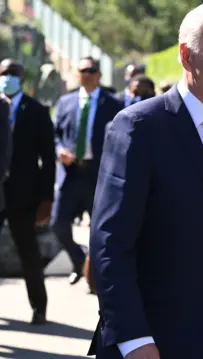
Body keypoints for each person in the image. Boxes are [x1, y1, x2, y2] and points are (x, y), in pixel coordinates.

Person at [88, 3, 203, 359]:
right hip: (155, 340)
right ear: (186, 56)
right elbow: (110, 243)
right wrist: (133, 339)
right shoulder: (139, 128)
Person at [52, 56, 123, 286]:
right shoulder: (66, 102)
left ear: (99, 75)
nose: (87, 74)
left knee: (101, 229)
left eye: (92, 70)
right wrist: (60, 150)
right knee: (58, 224)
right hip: (71, 173)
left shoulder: (113, 103)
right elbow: (55, 134)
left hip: (98, 174)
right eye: (83, 70)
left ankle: (97, 276)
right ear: (77, 74)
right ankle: (78, 260)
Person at [0, 59, 55, 324]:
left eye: (12, 74)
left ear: (22, 77)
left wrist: (46, 198)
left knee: (28, 252)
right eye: (3, 73)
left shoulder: (36, 111)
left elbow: (48, 158)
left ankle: (39, 307)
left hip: (23, 195)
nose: (7, 78)